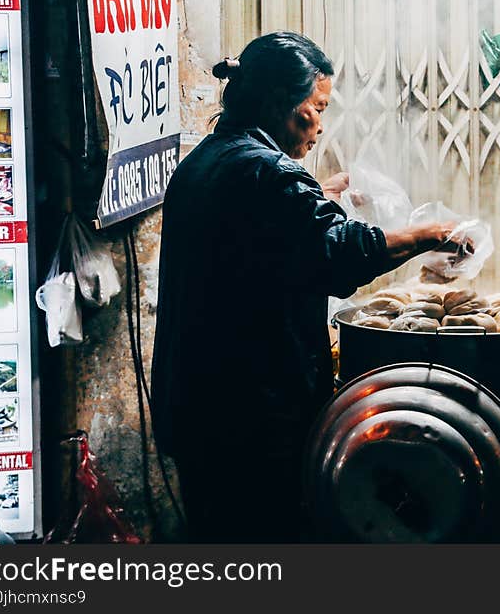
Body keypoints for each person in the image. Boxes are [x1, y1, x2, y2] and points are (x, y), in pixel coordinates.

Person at [150, 31, 468, 543]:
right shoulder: (268, 172)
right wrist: (426, 235)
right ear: (282, 104)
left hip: (197, 406)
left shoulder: (208, 159)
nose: (320, 124)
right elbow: (338, 254)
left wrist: (317, 192)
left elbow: (254, 230)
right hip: (252, 420)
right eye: (316, 107)